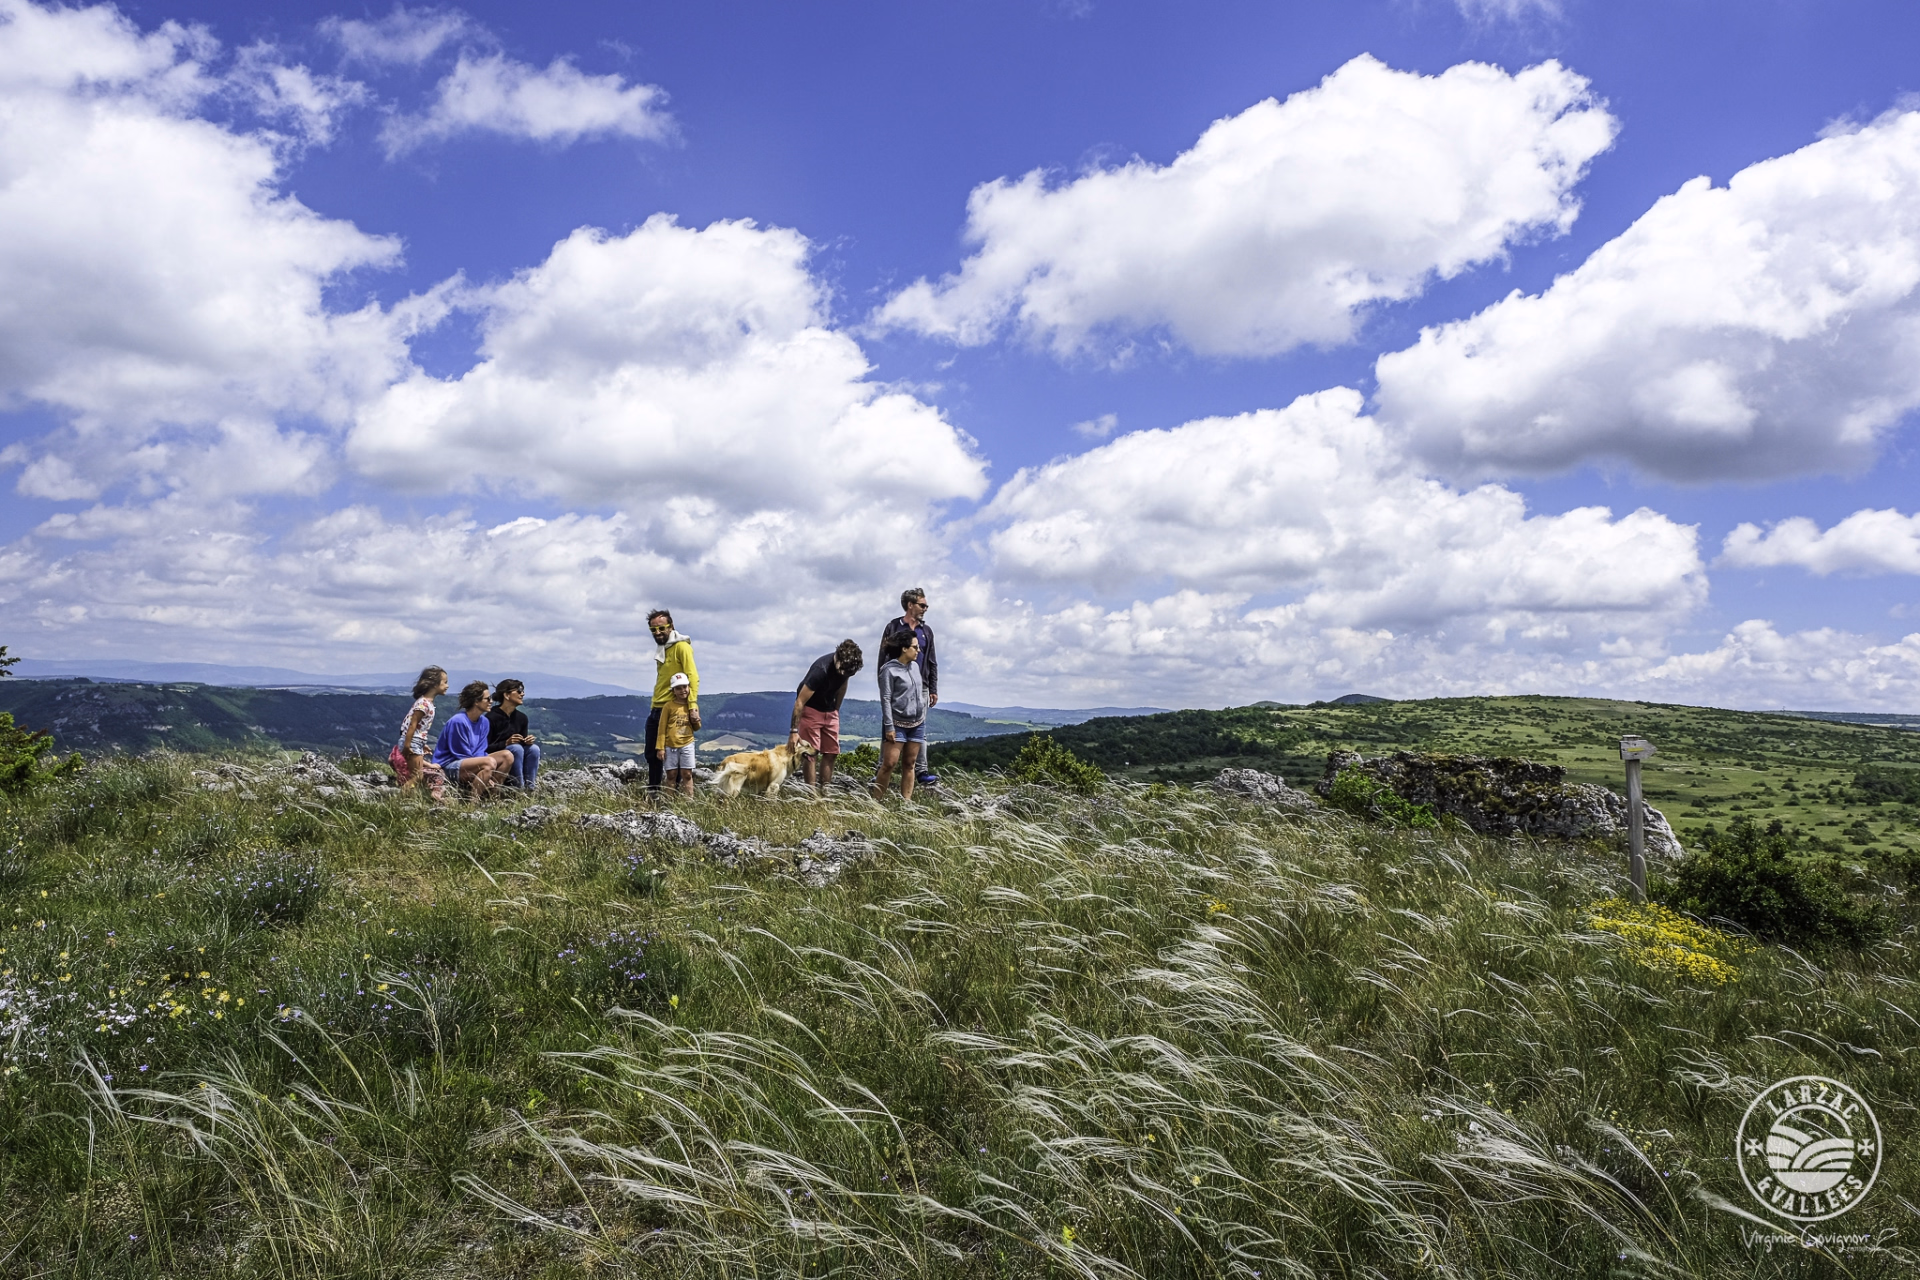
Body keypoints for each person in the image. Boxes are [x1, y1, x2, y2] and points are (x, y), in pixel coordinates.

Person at [881, 588, 939, 787]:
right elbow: (883, 658)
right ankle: (882, 767)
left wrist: (933, 688)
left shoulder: (926, 631)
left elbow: (932, 660)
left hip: (920, 685)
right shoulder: (893, 626)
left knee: (919, 728)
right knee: (889, 726)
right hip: (896, 683)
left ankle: (922, 771)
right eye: (923, 605)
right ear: (910, 605)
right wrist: (884, 681)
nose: (925, 609)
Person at [789, 639, 863, 794]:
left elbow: (843, 685)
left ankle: (825, 792)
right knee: (810, 754)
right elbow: (800, 701)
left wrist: (836, 709)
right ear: (838, 658)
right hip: (811, 710)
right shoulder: (820, 670)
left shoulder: (847, 667)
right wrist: (793, 732)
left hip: (830, 711)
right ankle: (811, 794)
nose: (844, 674)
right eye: (842, 670)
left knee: (831, 752)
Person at [644, 609, 698, 796]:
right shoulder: (663, 649)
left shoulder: (681, 647)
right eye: (653, 630)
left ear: (671, 626)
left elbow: (692, 676)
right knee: (652, 754)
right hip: (657, 707)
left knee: (675, 757)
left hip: (674, 709)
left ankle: (670, 796)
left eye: (661, 628)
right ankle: (655, 793)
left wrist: (692, 706)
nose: (657, 633)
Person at [872, 630, 928, 802]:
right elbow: (886, 699)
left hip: (917, 723)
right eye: (915, 647)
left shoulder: (916, 666)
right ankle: (876, 802)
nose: (918, 650)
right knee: (889, 764)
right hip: (897, 724)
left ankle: (907, 802)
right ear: (904, 648)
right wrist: (889, 726)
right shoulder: (888, 670)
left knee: (910, 763)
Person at [433, 681, 511, 798]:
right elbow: (460, 753)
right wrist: (482, 765)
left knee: (507, 756)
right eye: (487, 699)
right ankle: (473, 800)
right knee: (489, 762)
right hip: (450, 765)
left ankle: (492, 795)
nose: (491, 701)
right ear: (476, 701)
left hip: (471, 762)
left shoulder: (484, 722)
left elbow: (481, 749)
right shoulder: (458, 721)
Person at [392, 666, 448, 798]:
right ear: (434, 684)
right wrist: (408, 745)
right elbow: (412, 724)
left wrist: (422, 744)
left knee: (417, 775)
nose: (447, 685)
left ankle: (413, 797)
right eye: (444, 682)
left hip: (416, 741)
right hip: (413, 742)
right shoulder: (423, 704)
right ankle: (399, 799)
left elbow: (418, 727)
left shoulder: (425, 702)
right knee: (417, 776)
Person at [486, 678, 540, 789]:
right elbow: (485, 747)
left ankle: (530, 788)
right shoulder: (491, 718)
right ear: (507, 695)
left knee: (534, 749)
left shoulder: (522, 718)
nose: (523, 694)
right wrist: (506, 743)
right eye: (519, 691)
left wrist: (527, 742)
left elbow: (523, 745)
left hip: (515, 756)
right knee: (516, 748)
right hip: (496, 758)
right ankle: (518, 787)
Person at [655, 671, 702, 797]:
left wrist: (696, 720)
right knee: (671, 774)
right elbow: (662, 727)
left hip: (687, 744)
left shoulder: (692, 706)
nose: (682, 691)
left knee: (687, 774)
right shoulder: (668, 706)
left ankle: (689, 801)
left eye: (685, 687)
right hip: (670, 745)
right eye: (678, 688)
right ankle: (669, 801)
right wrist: (660, 748)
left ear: (689, 688)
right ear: (673, 691)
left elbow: (696, 728)